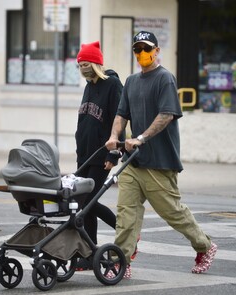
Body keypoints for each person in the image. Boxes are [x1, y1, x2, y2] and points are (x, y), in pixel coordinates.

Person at [105, 30, 217, 279]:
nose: (142, 53)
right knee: (126, 213)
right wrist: (115, 136)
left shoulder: (165, 78)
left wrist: (141, 138)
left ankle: (205, 246)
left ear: (157, 51)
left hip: (159, 161)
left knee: (172, 212)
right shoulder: (132, 81)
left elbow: (166, 114)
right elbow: (122, 114)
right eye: (138, 49)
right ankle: (121, 261)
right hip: (133, 162)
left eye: (146, 48)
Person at [74, 41, 124, 270]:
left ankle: (125, 231)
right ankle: (89, 252)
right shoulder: (88, 86)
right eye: (80, 65)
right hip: (84, 155)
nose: (82, 68)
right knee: (82, 206)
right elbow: (83, 120)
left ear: (95, 64)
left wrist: (113, 155)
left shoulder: (113, 84)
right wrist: (78, 150)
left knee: (88, 203)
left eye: (85, 64)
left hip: (102, 154)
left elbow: (120, 118)